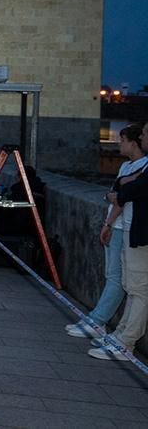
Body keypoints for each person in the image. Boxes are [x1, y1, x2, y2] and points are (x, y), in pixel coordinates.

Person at [69, 125, 145, 339]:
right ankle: (100, 321)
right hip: (119, 224)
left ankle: (98, 321)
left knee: (118, 278)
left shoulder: (142, 166)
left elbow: (120, 196)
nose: (119, 144)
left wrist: (108, 223)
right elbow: (114, 193)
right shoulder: (125, 166)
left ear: (133, 142)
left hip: (124, 226)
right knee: (115, 276)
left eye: (122, 140)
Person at [90, 122, 148, 361]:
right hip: (133, 230)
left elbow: (129, 190)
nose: (143, 137)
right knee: (132, 286)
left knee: (138, 289)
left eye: (146, 133)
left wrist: (121, 193)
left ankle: (126, 342)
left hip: (139, 232)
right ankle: (121, 335)